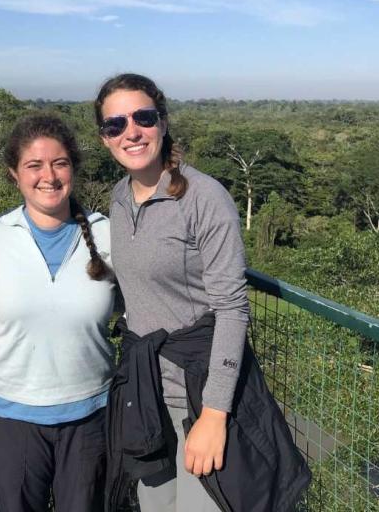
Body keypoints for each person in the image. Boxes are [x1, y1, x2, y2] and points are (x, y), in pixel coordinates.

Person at [95, 73, 310, 511]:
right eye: (115, 124)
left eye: (143, 117)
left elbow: (232, 308)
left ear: (163, 121)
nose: (131, 132)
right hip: (147, 396)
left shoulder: (203, 198)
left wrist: (214, 415)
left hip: (199, 395)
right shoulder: (119, 198)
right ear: (104, 138)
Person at [0, 114, 117, 512]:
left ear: (73, 169)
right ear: (14, 174)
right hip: (11, 416)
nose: (48, 176)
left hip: (91, 414)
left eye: (60, 163)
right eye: (34, 165)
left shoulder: (108, 235)